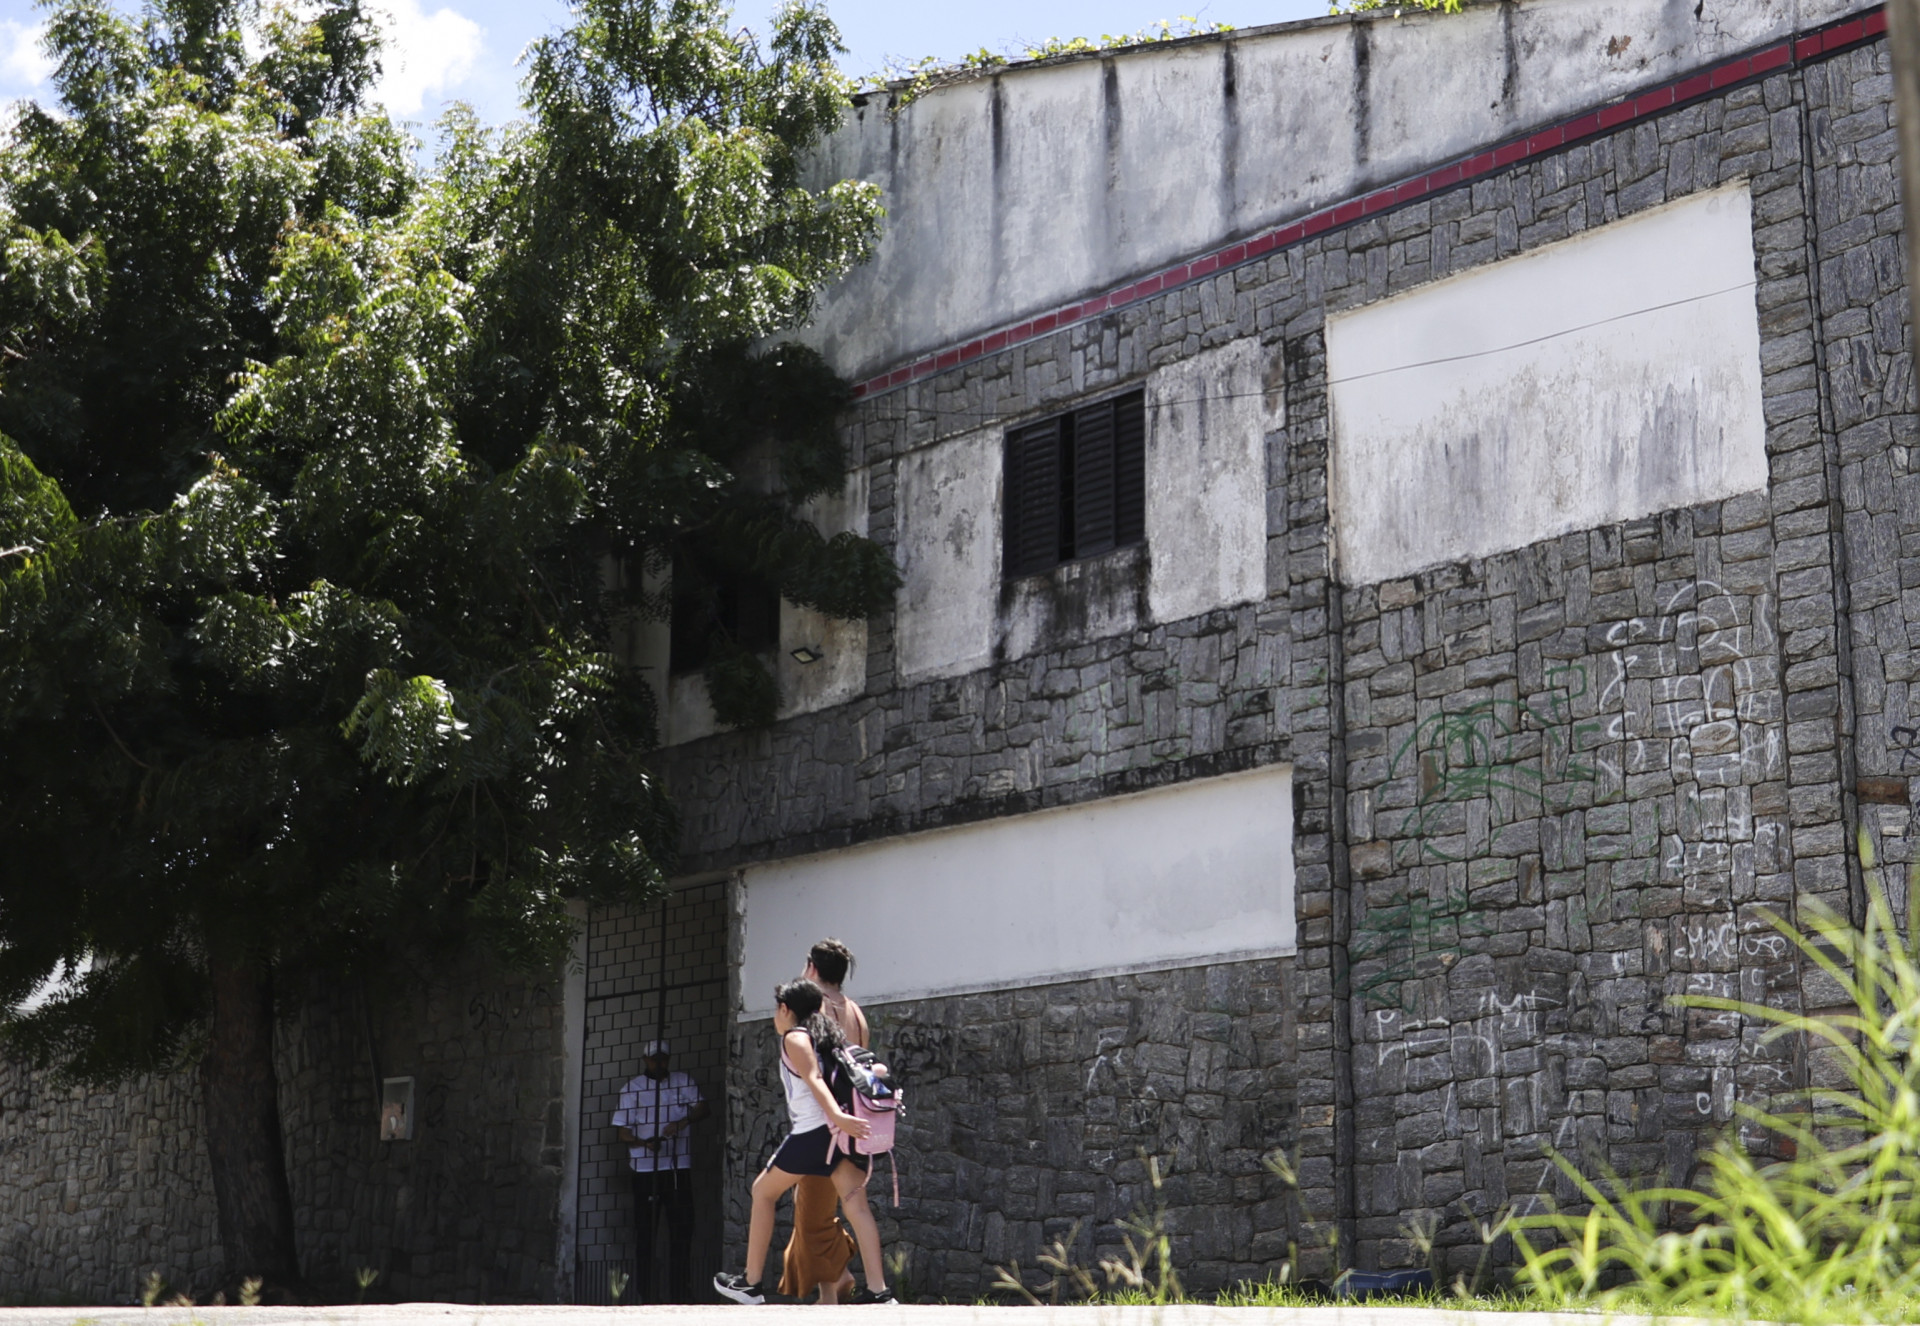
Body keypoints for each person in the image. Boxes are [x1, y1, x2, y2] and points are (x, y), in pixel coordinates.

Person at [713, 979, 893, 1306]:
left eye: (776, 1009)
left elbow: (813, 1080)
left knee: (762, 1191)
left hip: (815, 1133)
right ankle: (879, 1291)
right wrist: (842, 1123)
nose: (775, 1016)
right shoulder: (828, 1037)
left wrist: (836, 1119)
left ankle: (751, 1283)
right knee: (857, 1207)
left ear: (786, 1009)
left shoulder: (795, 1037)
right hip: (840, 1138)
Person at [781, 939, 875, 1305]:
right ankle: (841, 1284)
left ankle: (835, 1284)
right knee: (830, 1209)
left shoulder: (815, 1007)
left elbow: (814, 1069)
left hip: (826, 1124)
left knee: (811, 1212)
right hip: (856, 1125)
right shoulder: (855, 1011)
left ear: (813, 969)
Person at [612, 1039, 710, 1303]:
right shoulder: (632, 1089)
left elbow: (703, 1107)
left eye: (663, 1059)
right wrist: (645, 1143)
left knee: (681, 1231)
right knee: (646, 1234)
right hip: (645, 1169)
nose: (659, 1063)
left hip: (678, 1167)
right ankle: (647, 1295)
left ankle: (681, 1293)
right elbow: (622, 1132)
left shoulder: (682, 1081)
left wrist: (683, 1121)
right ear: (645, 1060)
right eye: (654, 1059)